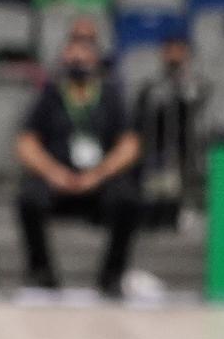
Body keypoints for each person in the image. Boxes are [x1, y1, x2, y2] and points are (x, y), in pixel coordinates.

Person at [15, 25, 142, 296]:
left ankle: (112, 275)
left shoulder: (110, 95)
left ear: (96, 58)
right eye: (74, 52)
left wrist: (98, 174)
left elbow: (130, 145)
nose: (79, 59)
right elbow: (26, 143)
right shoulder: (51, 95)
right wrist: (53, 172)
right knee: (28, 199)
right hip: (58, 178)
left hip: (98, 179)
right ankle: (41, 273)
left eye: (85, 52)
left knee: (127, 199)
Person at [132, 36, 207, 225]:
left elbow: (195, 103)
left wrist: (183, 83)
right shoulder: (153, 84)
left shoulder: (196, 82)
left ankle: (187, 209)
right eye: (170, 51)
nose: (174, 56)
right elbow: (145, 108)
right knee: (155, 186)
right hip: (157, 143)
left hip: (186, 144)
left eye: (179, 51)